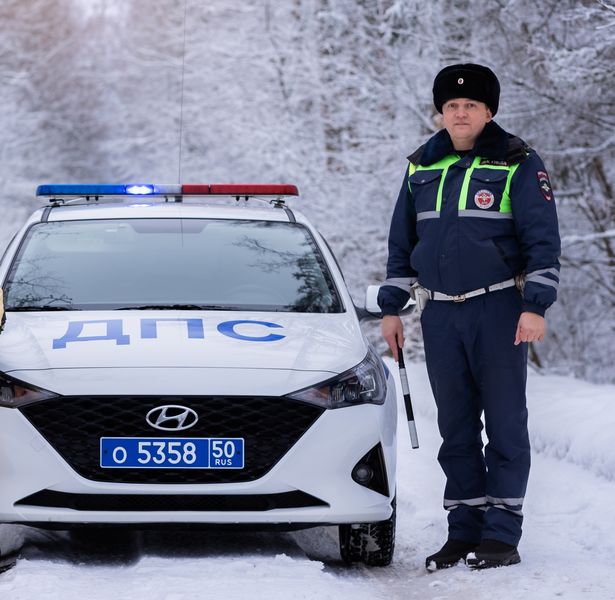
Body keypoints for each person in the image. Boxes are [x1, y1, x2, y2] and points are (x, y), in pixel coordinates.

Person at [378, 63, 560, 570]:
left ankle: (501, 534)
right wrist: (391, 309)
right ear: (441, 112)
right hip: (439, 316)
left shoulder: (517, 162)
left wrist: (535, 307)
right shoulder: (420, 167)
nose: (460, 113)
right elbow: (402, 245)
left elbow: (542, 241)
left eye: (471, 106)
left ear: (489, 112)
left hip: (500, 310)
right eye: (452, 106)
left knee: (504, 423)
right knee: (456, 428)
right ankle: (463, 530)